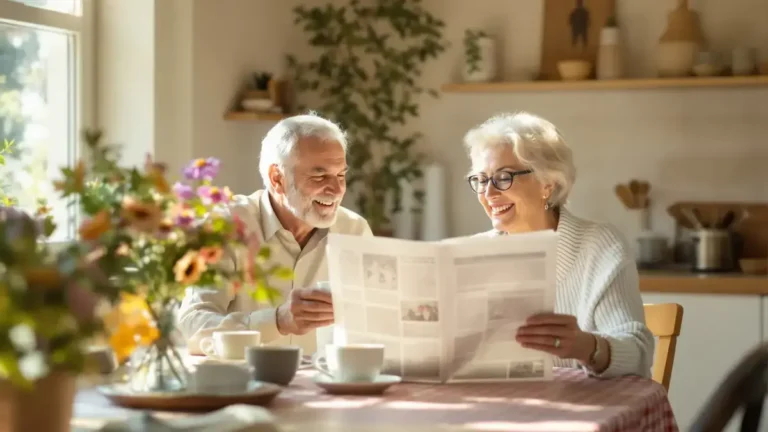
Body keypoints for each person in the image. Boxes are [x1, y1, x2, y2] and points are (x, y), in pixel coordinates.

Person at [463, 111, 654, 378]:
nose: (489, 193)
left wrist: (585, 346)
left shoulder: (599, 247)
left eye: (503, 177)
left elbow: (638, 353)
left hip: (583, 412)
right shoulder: (472, 255)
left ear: (547, 183)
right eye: (481, 180)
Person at [177, 113, 372, 356]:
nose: (336, 189)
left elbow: (375, 324)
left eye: (341, 175)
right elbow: (191, 327)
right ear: (277, 178)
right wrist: (278, 321)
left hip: (327, 387)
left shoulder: (354, 231)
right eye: (319, 176)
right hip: (244, 385)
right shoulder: (226, 226)